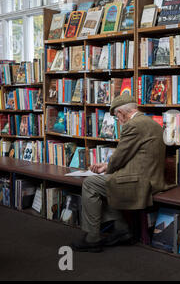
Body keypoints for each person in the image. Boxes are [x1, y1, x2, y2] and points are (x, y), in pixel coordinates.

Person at [71, 94, 168, 252]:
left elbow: (119, 157)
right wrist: (107, 167)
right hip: (153, 179)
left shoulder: (133, 125)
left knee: (90, 183)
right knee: (108, 182)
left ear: (122, 113)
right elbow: (136, 155)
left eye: (117, 116)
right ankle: (121, 229)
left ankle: (92, 238)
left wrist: (107, 168)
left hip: (140, 183)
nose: (118, 121)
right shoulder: (152, 123)